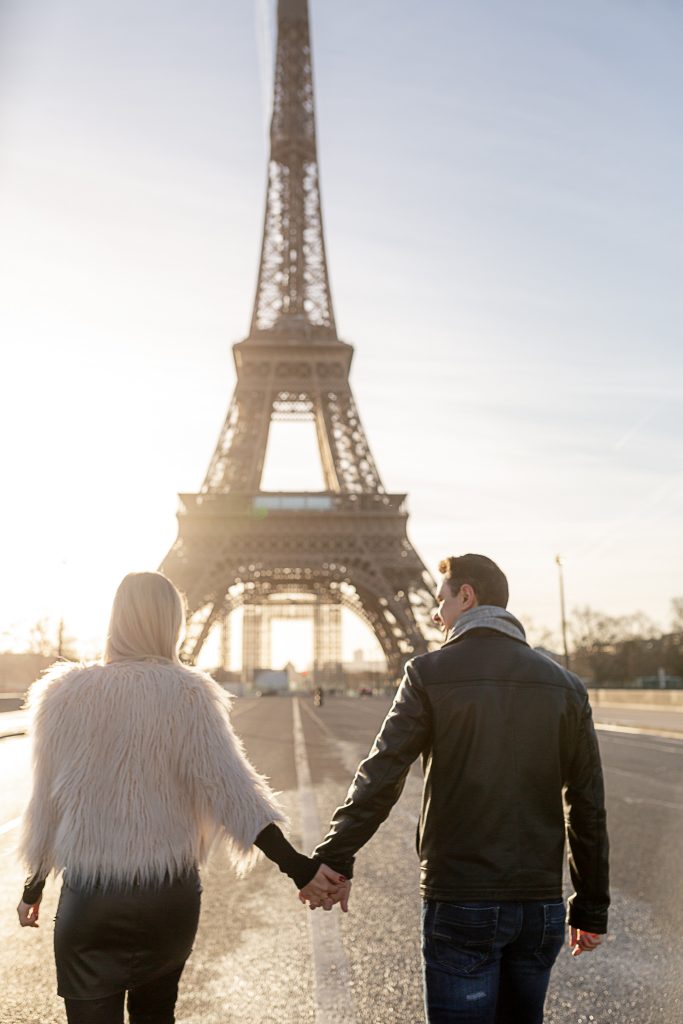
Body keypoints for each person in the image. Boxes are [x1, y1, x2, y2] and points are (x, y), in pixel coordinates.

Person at [17, 571, 342, 1024]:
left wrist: (33, 887)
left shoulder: (64, 695)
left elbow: (46, 807)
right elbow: (236, 794)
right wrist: (299, 868)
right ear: (173, 623)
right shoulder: (189, 694)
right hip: (167, 900)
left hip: (91, 901)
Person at [300, 553, 610, 1023]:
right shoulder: (565, 686)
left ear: (466, 596)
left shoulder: (428, 674)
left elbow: (381, 774)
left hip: (462, 899)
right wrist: (591, 907)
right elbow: (586, 805)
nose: (434, 613)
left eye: (440, 600)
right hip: (539, 905)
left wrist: (335, 857)